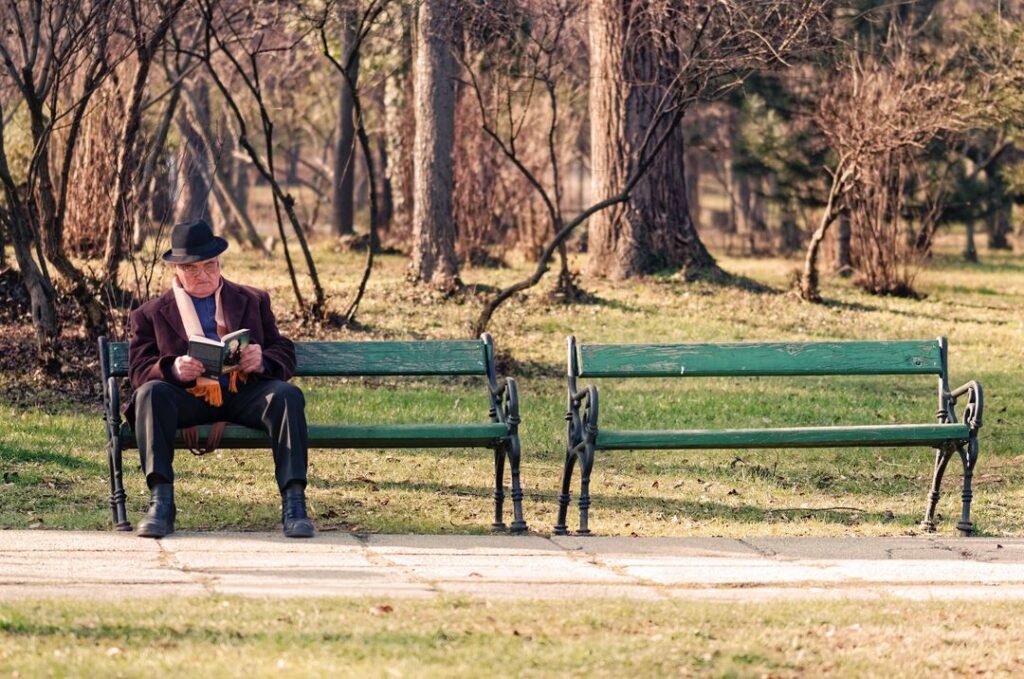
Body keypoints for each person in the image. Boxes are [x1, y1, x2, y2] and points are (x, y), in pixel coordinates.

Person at [126, 218, 314, 539]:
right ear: (177, 272)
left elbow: (283, 348)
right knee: (150, 394)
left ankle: (294, 504)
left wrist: (262, 358)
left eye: (210, 266)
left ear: (219, 263)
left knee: (287, 396)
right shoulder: (151, 313)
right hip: (188, 400)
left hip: (243, 395)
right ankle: (161, 503)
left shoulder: (252, 299)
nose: (204, 276)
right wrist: (172, 368)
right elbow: (139, 369)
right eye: (193, 270)